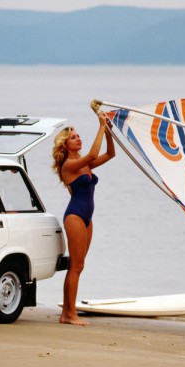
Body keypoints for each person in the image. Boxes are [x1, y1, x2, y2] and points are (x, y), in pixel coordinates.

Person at [52, 112, 116, 325]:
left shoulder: (85, 164)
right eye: (73, 137)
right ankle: (71, 315)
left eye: (78, 135)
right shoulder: (68, 166)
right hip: (75, 217)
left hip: (88, 219)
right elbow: (93, 154)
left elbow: (111, 153)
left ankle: (66, 314)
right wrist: (101, 126)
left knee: (78, 266)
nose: (78, 139)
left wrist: (108, 131)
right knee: (76, 266)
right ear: (65, 145)